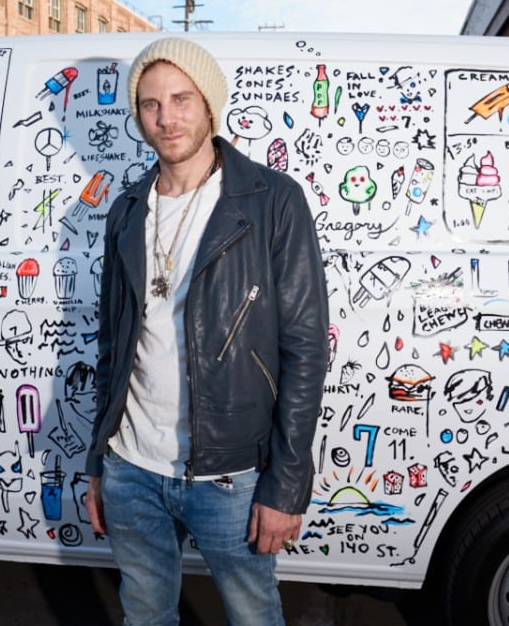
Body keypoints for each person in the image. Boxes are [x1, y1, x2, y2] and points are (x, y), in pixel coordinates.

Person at [85, 36, 330, 625]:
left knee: (253, 617)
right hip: (131, 467)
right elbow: (113, 348)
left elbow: (304, 348)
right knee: (145, 616)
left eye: (181, 99)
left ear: (209, 105)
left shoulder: (271, 200)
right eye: (150, 104)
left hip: (231, 474)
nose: (166, 118)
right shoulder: (126, 210)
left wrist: (286, 482)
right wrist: (100, 460)